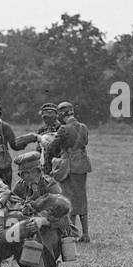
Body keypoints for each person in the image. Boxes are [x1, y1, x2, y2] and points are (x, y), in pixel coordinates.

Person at [51, 100, 93, 242]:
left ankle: (71, 233)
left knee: (69, 199)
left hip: (69, 166)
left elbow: (52, 147)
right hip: (82, 165)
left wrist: (42, 139)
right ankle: (85, 234)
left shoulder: (63, 129)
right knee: (81, 198)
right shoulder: (84, 127)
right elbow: (85, 143)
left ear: (62, 115)